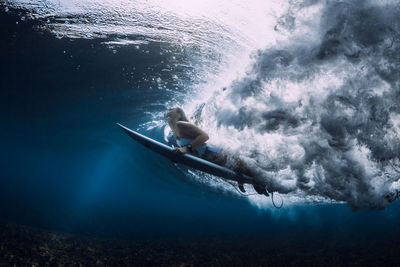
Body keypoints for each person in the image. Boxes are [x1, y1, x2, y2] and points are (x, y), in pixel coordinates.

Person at [165, 107, 269, 196]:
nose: (168, 110)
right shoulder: (175, 133)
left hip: (218, 154)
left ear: (179, 114)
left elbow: (205, 136)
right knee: (253, 180)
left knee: (256, 178)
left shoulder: (180, 125)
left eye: (171, 109)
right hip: (213, 159)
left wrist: (186, 149)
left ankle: (275, 184)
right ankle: (266, 184)